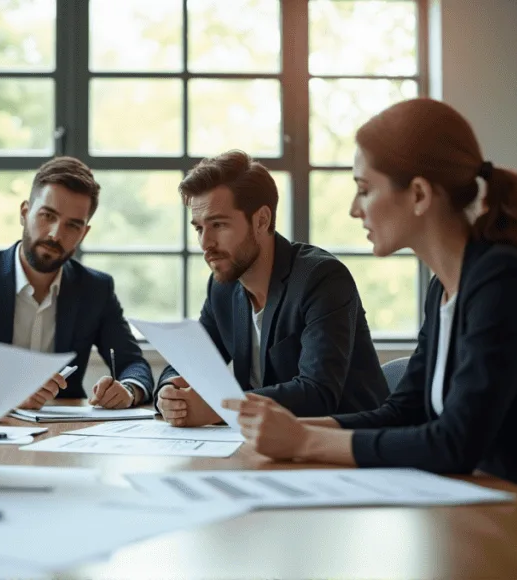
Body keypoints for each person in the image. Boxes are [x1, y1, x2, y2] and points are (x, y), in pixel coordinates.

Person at [223, 98, 517, 513]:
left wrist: (305, 441)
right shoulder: (443, 286)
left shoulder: (503, 279)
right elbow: (407, 410)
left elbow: (454, 443)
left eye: (364, 190)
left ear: (419, 194)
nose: (353, 209)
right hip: (495, 510)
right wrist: (296, 427)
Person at [156, 150, 388, 427]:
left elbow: (318, 393)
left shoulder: (322, 279)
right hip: (267, 445)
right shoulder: (223, 288)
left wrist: (221, 408)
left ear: (261, 220)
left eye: (218, 224)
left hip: (345, 448)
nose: (205, 243)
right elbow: (188, 365)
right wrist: (169, 393)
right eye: (199, 228)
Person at [0, 157, 154, 409]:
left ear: (84, 233)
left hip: (63, 426)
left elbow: (133, 364)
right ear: (25, 212)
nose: (56, 233)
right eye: (47, 215)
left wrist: (129, 390)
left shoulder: (96, 288)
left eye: (73, 225)